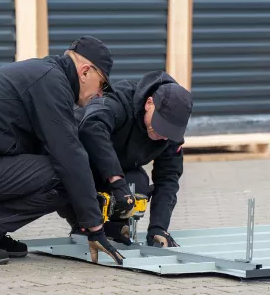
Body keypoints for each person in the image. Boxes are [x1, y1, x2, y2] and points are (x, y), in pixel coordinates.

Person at [0, 36, 127, 265]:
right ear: (86, 71)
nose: (100, 94)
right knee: (63, 174)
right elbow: (69, 157)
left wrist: (80, 220)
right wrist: (95, 226)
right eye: (103, 84)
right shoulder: (51, 83)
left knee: (57, 169)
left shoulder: (45, 75)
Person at [59, 70, 193, 247]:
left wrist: (159, 228)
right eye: (159, 126)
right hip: (77, 159)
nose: (163, 135)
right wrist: (116, 182)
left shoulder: (170, 133)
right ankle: (82, 225)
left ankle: (112, 228)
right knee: (67, 178)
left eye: (169, 132)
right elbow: (91, 127)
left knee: (138, 185)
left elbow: (168, 178)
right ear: (149, 103)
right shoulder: (119, 100)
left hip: (119, 165)